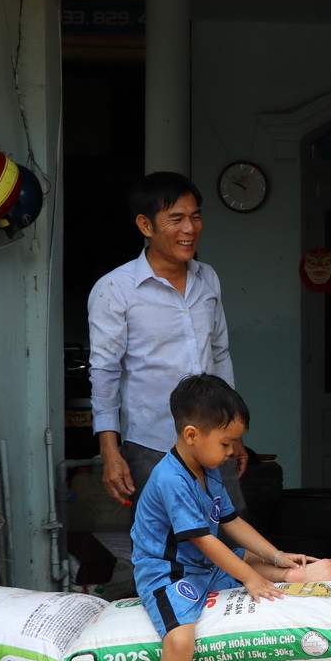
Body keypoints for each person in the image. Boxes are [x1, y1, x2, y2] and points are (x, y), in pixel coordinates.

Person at [132, 374, 331, 661]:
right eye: (227, 443)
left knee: (242, 557)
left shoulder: (208, 470)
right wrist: (249, 579)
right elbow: (206, 541)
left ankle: (290, 572)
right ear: (192, 435)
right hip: (168, 571)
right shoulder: (170, 479)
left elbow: (232, 523)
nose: (232, 452)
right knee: (179, 642)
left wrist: (274, 554)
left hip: (202, 562)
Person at [88, 171, 247, 513]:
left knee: (230, 538)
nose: (189, 229)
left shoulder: (208, 279)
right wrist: (110, 451)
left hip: (214, 439)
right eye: (176, 219)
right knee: (163, 547)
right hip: (152, 444)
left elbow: (219, 355)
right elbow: (104, 373)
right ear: (146, 225)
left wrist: (234, 434)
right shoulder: (115, 289)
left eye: (195, 217)